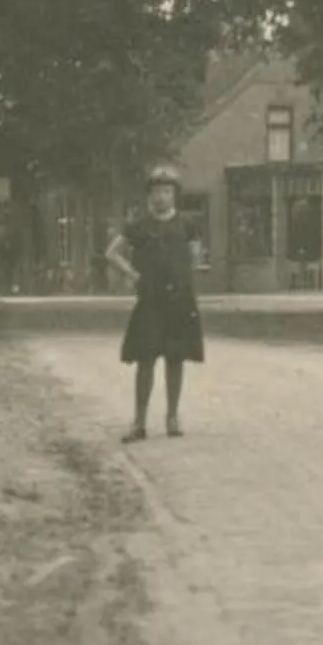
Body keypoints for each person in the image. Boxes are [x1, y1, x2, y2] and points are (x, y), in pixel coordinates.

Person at [106, 163, 203, 441]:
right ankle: (139, 422)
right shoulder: (139, 226)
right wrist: (133, 274)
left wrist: (183, 274)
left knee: (176, 358)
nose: (162, 197)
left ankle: (172, 418)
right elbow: (112, 252)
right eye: (157, 191)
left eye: (167, 191)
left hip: (179, 301)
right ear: (149, 196)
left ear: (174, 195)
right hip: (150, 301)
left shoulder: (187, 225)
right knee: (145, 359)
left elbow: (195, 255)